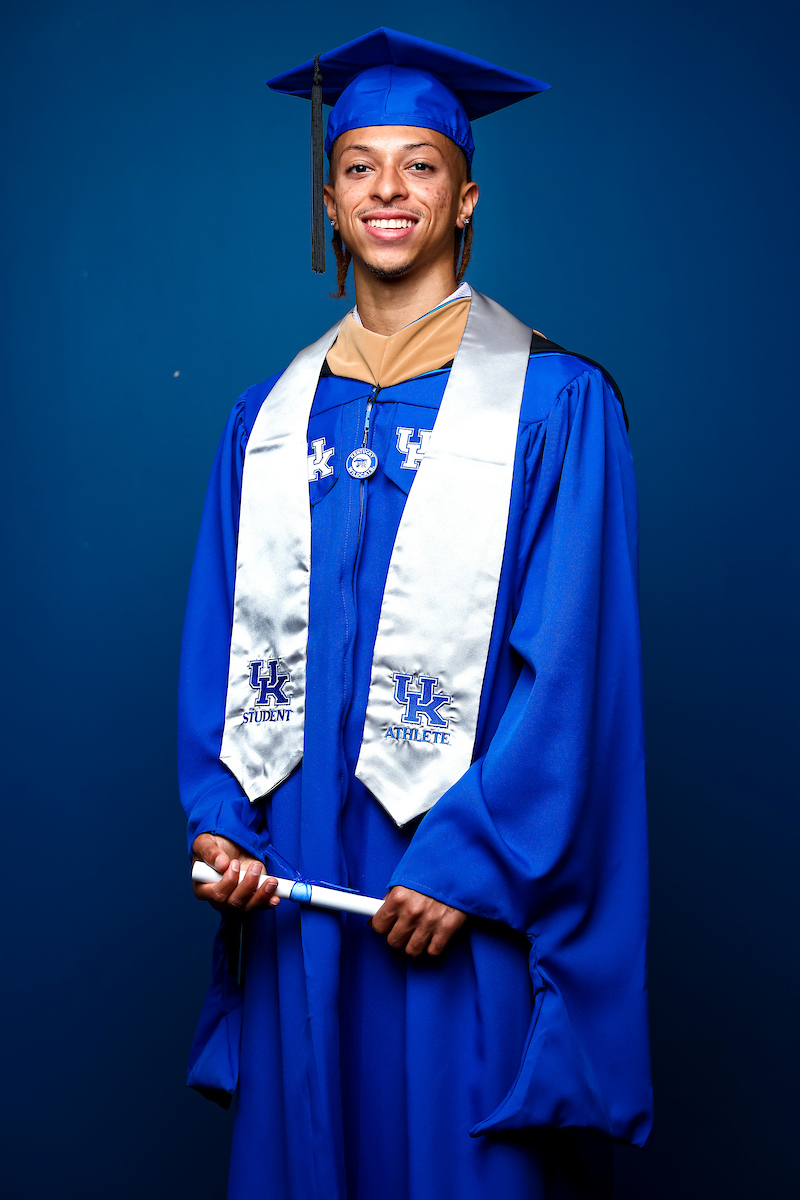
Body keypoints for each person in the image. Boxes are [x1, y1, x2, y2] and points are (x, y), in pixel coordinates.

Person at [179, 27, 652, 1200]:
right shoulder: (269, 420)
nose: (387, 190)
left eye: (420, 164)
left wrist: (470, 865)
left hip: (453, 886)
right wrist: (221, 821)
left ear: (464, 197)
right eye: (358, 166)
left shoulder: (552, 405)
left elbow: (576, 674)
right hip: (299, 880)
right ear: (329, 200)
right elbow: (218, 644)